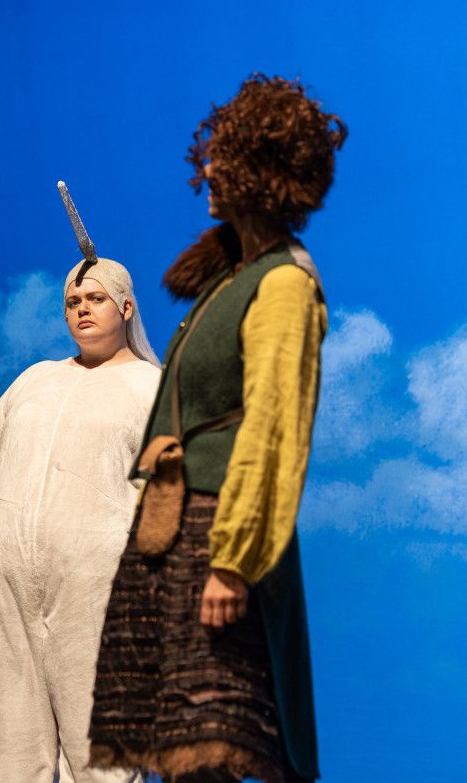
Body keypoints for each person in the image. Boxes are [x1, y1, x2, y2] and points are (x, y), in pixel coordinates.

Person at [88, 75, 347, 783]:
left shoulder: (284, 284)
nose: (207, 167)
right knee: (179, 757)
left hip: (218, 539)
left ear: (263, 170)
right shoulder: (229, 281)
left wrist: (233, 561)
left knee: (210, 754)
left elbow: (273, 432)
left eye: (225, 155)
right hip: (173, 536)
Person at [0, 256, 161, 783]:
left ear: (126, 307)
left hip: (98, 585)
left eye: (96, 299)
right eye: (72, 302)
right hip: (7, 582)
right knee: (10, 742)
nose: (82, 309)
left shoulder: (152, 387)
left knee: (101, 746)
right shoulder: (33, 381)